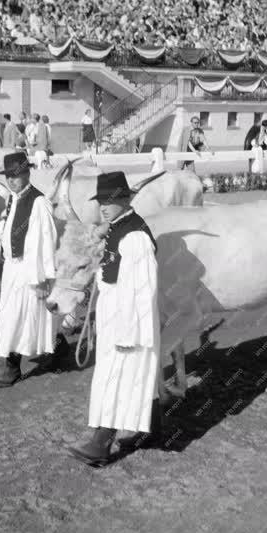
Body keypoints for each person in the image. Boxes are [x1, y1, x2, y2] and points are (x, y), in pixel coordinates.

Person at [68, 172, 160, 468]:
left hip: (128, 322)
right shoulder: (119, 227)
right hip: (113, 315)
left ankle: (102, 443)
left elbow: (144, 292)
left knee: (119, 379)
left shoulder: (135, 237)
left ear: (125, 199)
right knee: (131, 379)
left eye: (110, 200)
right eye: (101, 201)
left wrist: (128, 333)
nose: (104, 207)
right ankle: (152, 428)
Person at [0, 152, 68, 388]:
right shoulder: (13, 198)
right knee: (17, 316)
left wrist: (41, 279)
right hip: (13, 269)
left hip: (31, 270)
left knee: (25, 317)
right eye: (9, 176)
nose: (12, 180)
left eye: (16, 175)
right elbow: (11, 228)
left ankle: (12, 368)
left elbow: (45, 242)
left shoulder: (39, 202)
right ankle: (56, 350)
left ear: (27, 173)